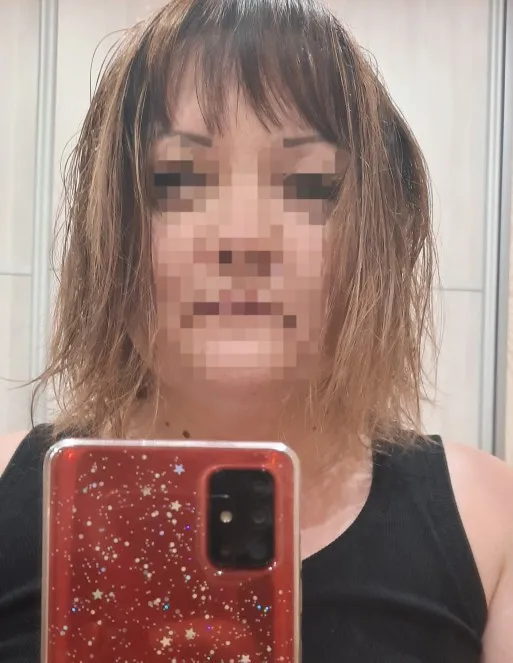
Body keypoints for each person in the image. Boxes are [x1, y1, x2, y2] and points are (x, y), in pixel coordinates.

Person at [0, 0, 512, 661]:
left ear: (382, 237)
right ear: (107, 233)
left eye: (308, 185)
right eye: (176, 179)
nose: (242, 238)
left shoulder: (490, 523)